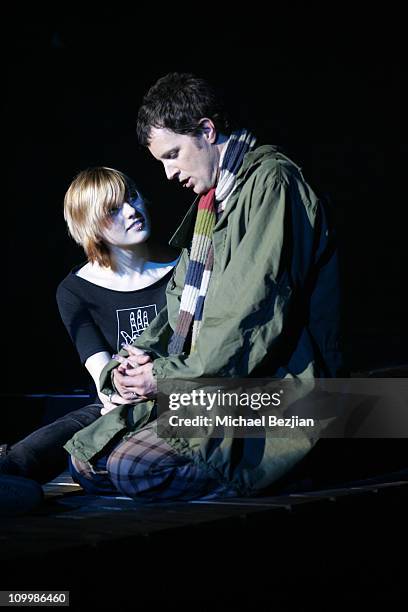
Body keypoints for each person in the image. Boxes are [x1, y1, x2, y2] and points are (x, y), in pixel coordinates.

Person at [65, 72, 343, 501]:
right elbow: (177, 304)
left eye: (173, 155)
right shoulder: (214, 203)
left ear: (207, 131)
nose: (169, 173)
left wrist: (161, 378)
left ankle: (295, 468)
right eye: (161, 161)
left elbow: (246, 318)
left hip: (280, 391)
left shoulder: (272, 183)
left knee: (131, 467)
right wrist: (135, 362)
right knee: (86, 459)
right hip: (217, 380)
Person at [0, 167, 178, 514]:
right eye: (112, 209)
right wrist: (120, 385)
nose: (131, 210)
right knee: (76, 425)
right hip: (126, 401)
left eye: (133, 196)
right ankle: (9, 478)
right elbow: (102, 376)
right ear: (89, 224)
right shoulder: (75, 290)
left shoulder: (186, 265)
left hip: (179, 392)